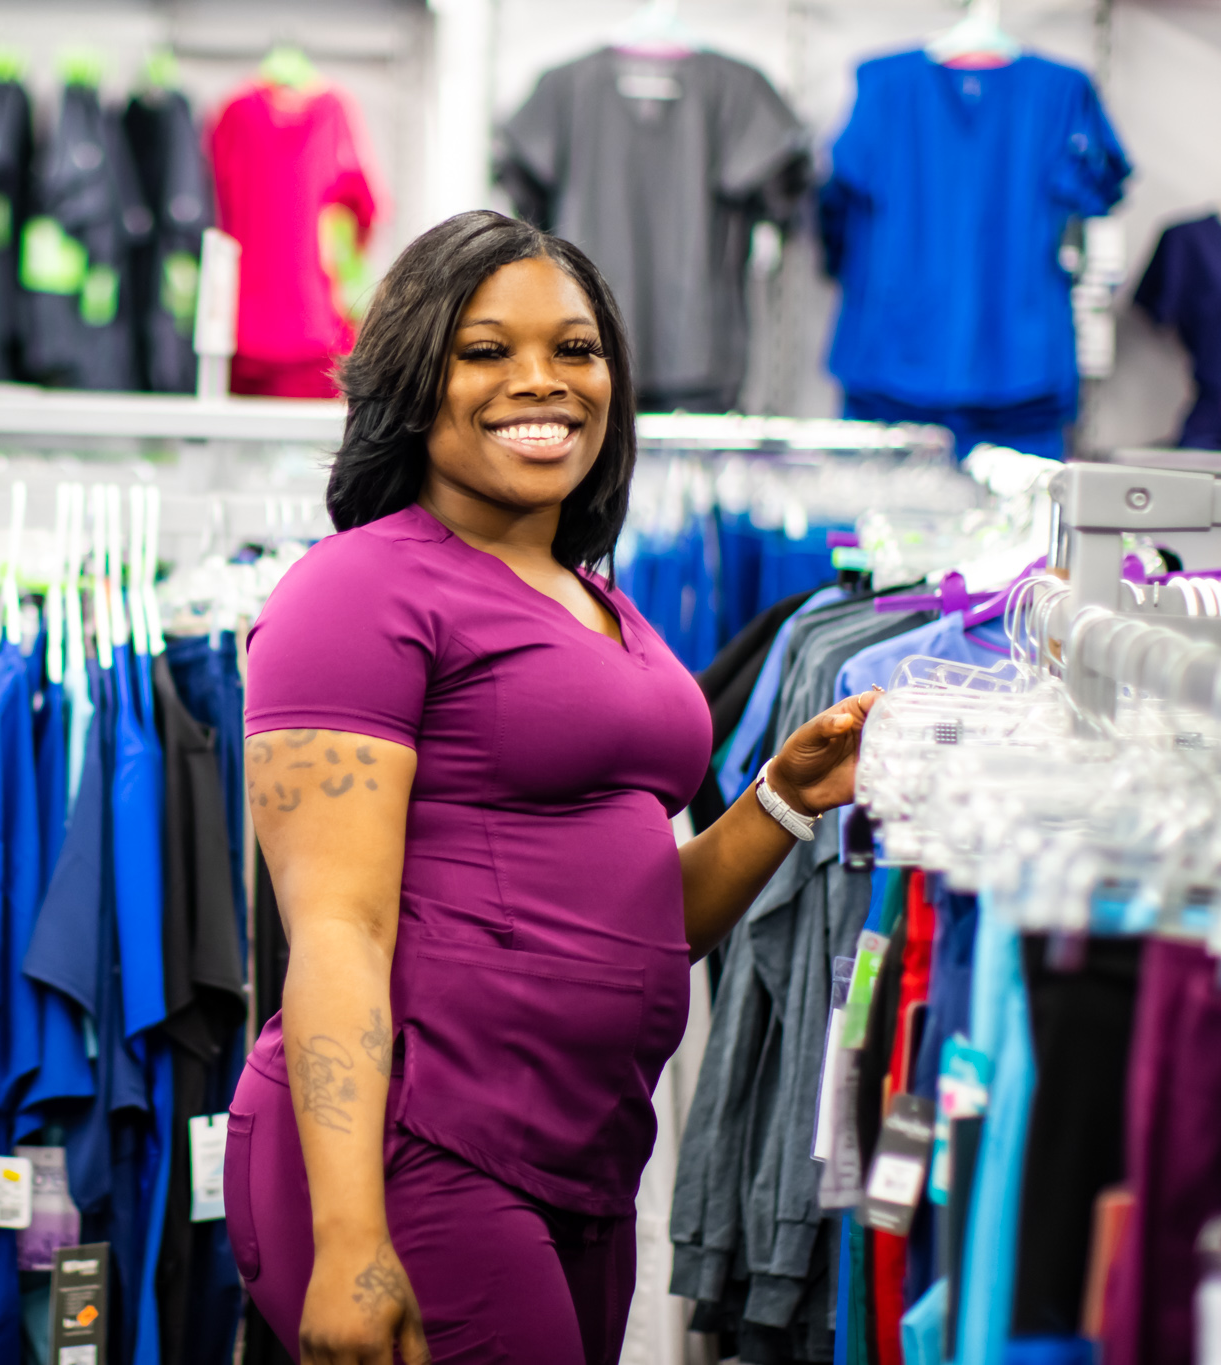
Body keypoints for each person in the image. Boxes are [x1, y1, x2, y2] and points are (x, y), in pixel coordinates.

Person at [225, 209, 878, 1365]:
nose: (542, 380)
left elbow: (637, 925)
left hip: (585, 1160)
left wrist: (780, 799)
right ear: (411, 380)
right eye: (486, 351)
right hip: (416, 1150)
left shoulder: (593, 598)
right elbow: (333, 931)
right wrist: (349, 1236)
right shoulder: (356, 591)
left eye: (575, 349)